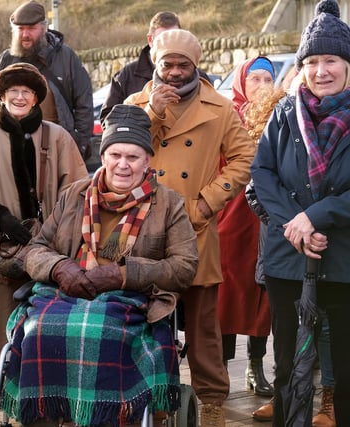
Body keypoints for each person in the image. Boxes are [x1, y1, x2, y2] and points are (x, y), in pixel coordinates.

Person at [0, 104, 199, 426]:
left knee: (102, 332)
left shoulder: (169, 204)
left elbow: (185, 266)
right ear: (103, 156)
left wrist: (123, 274)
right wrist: (61, 268)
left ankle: (105, 416)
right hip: (65, 290)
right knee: (38, 331)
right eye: (115, 155)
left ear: (148, 160)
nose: (122, 165)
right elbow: (35, 249)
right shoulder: (74, 194)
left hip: (131, 299)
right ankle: (45, 416)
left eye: (132, 157)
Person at [124, 29, 255, 426]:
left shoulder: (219, 107)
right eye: (169, 65)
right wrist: (152, 114)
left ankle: (212, 400)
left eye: (184, 66)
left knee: (203, 326)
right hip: (142, 227)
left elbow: (243, 157)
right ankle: (151, 396)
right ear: (155, 64)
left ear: (196, 66)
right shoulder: (136, 102)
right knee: (142, 319)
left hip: (195, 228)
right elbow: (119, 150)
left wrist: (206, 203)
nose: (176, 73)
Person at [250, 0, 350, 425]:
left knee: (345, 370)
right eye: (311, 61)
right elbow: (261, 174)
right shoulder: (284, 113)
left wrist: (319, 216)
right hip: (287, 256)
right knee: (287, 364)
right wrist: (296, 223)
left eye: (331, 60)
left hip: (343, 257)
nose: (320, 70)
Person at [0, 62, 88, 376]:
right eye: (13, 91)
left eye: (26, 91)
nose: (19, 96)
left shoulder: (58, 137)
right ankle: (2, 394)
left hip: (53, 250)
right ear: (1, 95)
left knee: (50, 324)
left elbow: (79, 189)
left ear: (36, 98)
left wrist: (58, 228)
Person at [217, 56, 275, 400]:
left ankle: (256, 366)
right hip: (230, 217)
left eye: (268, 79)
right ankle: (221, 368)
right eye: (254, 79)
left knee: (261, 295)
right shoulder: (226, 118)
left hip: (265, 221)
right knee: (226, 295)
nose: (262, 85)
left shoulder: (280, 116)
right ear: (241, 82)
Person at [0, 0, 94, 159]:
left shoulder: (66, 57)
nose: (25, 34)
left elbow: (84, 104)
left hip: (58, 148)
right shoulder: (5, 60)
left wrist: (79, 144)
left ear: (44, 28)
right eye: (20, 29)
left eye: (31, 29)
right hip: (13, 150)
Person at [100, 11, 181, 123]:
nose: (169, 45)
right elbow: (108, 121)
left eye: (174, 38)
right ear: (150, 40)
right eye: (162, 40)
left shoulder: (197, 77)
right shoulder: (126, 76)